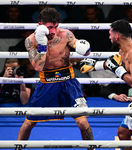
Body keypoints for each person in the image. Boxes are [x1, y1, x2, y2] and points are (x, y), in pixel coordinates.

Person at [79, 19, 132, 150]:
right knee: (122, 134)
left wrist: (116, 69)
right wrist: (94, 66)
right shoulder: (122, 52)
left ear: (117, 36)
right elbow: (112, 64)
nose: (109, 37)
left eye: (110, 34)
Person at [17, 7, 94, 145]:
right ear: (40, 25)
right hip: (46, 83)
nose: (52, 31)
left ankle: (91, 148)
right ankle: (17, 147)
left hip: (68, 82)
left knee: (82, 122)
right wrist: (42, 44)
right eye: (49, 27)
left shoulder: (65, 34)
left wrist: (84, 47)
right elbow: (37, 66)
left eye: (55, 26)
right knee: (29, 123)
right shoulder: (31, 40)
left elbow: (82, 49)